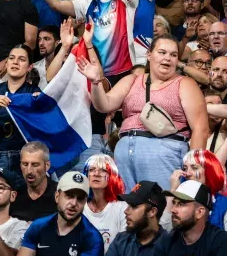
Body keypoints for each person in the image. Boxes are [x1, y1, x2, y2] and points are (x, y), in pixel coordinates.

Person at [83, 35, 209, 189]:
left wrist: (193, 169)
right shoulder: (132, 80)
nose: (167, 58)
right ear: (149, 55)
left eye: (173, 55)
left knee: (164, 209)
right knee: (128, 210)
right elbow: (104, 105)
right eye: (162, 52)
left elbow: (200, 129)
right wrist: (95, 83)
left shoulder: (185, 84)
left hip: (164, 157)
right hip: (124, 157)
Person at [8, 171, 104, 256]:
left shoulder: (92, 237)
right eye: (69, 195)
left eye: (80, 198)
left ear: (85, 202)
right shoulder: (38, 227)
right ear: (57, 196)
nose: (74, 203)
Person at [0, 45, 41, 185]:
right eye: (11, 58)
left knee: (23, 205)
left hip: (26, 159)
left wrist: (39, 104)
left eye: (21, 59)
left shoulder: (34, 92)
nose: (15, 62)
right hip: (0, 157)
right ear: (6, 64)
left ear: (29, 67)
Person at [150, 179, 227, 256]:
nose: (173, 209)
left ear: (199, 212)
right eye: (174, 203)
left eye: (181, 204)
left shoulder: (221, 241)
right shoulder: (165, 241)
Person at [98, 180, 164, 256]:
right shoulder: (121, 239)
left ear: (152, 212)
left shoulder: (168, 243)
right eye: (128, 205)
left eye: (133, 206)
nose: (126, 211)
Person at [82, 155, 127, 252]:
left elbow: (124, 247)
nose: (96, 174)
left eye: (103, 170)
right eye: (92, 169)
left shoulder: (122, 208)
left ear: (112, 176)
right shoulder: (80, 207)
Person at [10, 142, 57, 222]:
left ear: (47, 166)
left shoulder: (60, 194)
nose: (29, 171)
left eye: (35, 165)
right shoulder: (14, 196)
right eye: (25, 164)